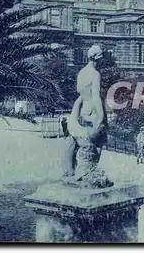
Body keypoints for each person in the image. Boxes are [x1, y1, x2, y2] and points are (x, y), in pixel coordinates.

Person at [62, 45, 110, 186]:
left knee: (76, 141)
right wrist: (101, 116)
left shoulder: (81, 73)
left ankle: (71, 171)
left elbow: (80, 94)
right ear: (97, 58)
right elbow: (95, 96)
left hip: (83, 110)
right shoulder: (95, 74)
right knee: (98, 142)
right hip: (93, 112)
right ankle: (88, 172)